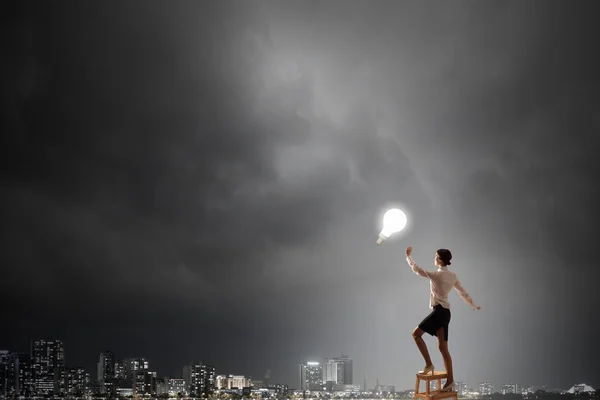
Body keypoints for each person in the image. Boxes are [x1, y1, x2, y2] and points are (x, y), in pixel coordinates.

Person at [405, 246, 481, 392]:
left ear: (440, 260)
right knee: (443, 348)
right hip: (446, 313)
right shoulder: (452, 275)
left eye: (435, 256)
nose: (434, 258)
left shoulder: (436, 275)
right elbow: (463, 292)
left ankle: (428, 364)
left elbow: (417, 270)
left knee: (416, 334)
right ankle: (450, 381)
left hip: (439, 311)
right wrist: (473, 305)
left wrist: (408, 257)